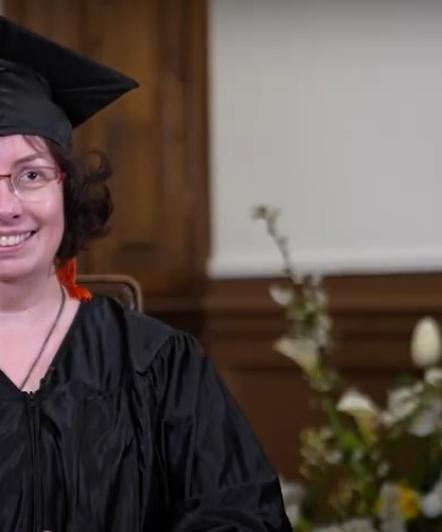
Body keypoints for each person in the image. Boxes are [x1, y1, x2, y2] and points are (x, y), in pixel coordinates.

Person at [0, 15, 291, 532]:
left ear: (65, 191)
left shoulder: (158, 366)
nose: (7, 206)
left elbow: (242, 517)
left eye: (30, 175)